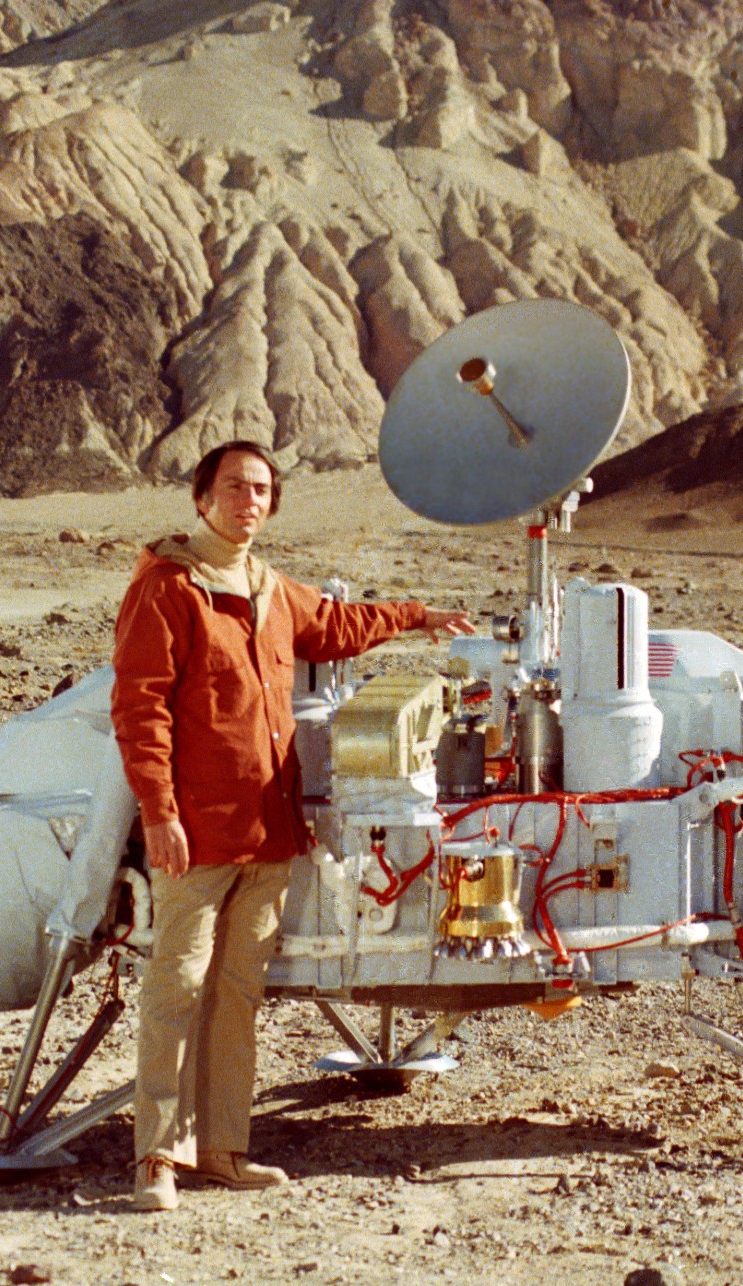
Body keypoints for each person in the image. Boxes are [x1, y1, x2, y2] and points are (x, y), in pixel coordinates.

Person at [110, 439, 473, 1211]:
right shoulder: (169, 587)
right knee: (177, 988)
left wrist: (418, 617)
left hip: (270, 833)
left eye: (263, 490)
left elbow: (339, 625)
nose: (250, 500)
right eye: (235, 487)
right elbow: (140, 712)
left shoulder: (271, 590)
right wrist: (160, 815)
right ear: (201, 498)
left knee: (238, 992)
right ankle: (156, 1159)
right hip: (196, 834)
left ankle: (223, 1150)